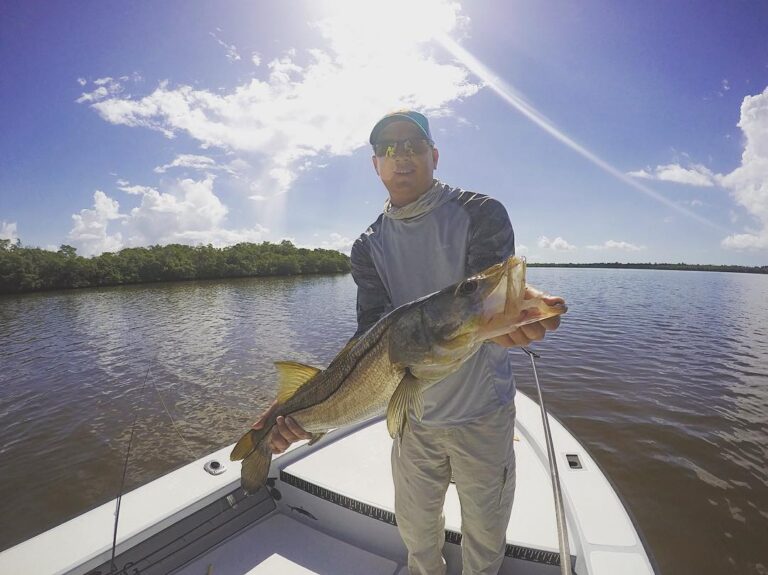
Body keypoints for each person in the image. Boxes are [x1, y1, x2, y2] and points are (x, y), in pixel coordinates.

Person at [253, 110, 563, 575]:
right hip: (411, 419)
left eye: (414, 146)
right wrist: (294, 408)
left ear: (434, 157)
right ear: (375, 164)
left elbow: (488, 293)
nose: (402, 157)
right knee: (418, 538)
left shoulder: (481, 212)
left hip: (483, 415)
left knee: (485, 539)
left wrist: (513, 312)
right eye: (389, 149)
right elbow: (369, 335)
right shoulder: (367, 246)